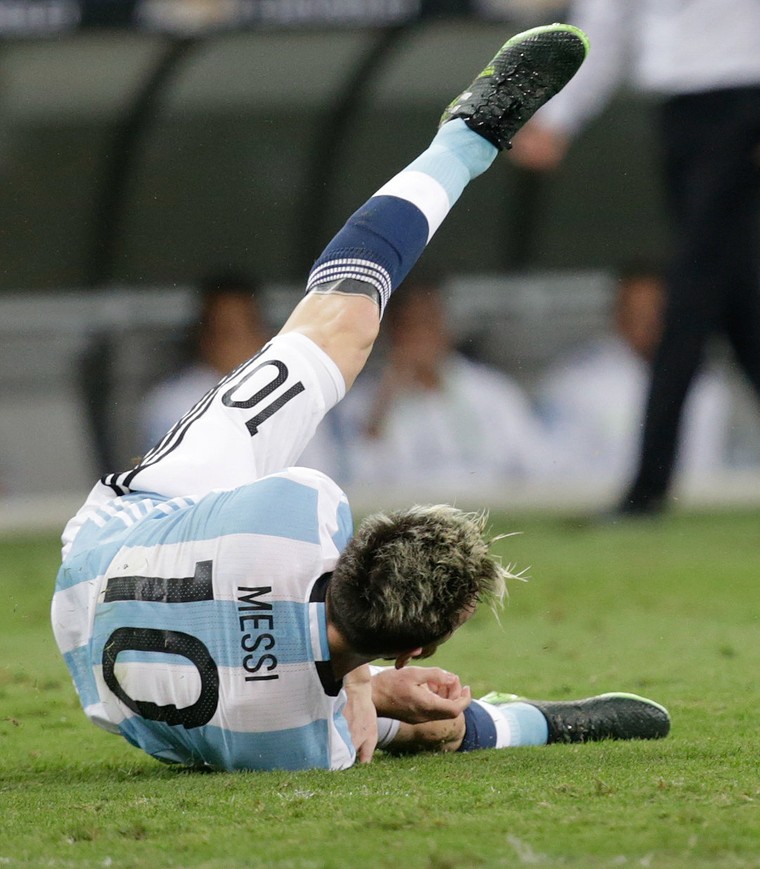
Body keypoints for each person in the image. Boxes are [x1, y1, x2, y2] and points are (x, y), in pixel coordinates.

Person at [52, 25, 670, 773]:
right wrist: (363, 684)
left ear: (357, 543)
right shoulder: (304, 747)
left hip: (103, 543)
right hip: (108, 676)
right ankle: (525, 723)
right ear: (423, 644)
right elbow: (323, 688)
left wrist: (362, 680)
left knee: (336, 324)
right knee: (422, 727)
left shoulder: (302, 508)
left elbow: (289, 587)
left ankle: (464, 143)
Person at [510, 0, 760, 514]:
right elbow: (604, 22)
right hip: (679, 111)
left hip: (752, 102)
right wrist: (559, 117)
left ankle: (649, 484)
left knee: (689, 298)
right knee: (740, 308)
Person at [348, 277, 555, 487]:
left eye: (428, 323)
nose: (421, 337)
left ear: (444, 326)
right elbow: (358, 481)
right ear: (390, 332)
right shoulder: (363, 403)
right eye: (409, 326)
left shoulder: (492, 392)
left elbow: (538, 466)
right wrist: (384, 402)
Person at [538, 263, 730, 484]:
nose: (648, 322)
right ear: (619, 313)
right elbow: (553, 474)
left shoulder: (708, 386)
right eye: (637, 312)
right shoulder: (577, 384)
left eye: (656, 310)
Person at [139, 273, 345, 478]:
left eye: (248, 328)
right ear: (205, 338)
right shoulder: (172, 403)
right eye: (229, 332)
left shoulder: (296, 391)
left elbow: (322, 476)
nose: (241, 342)